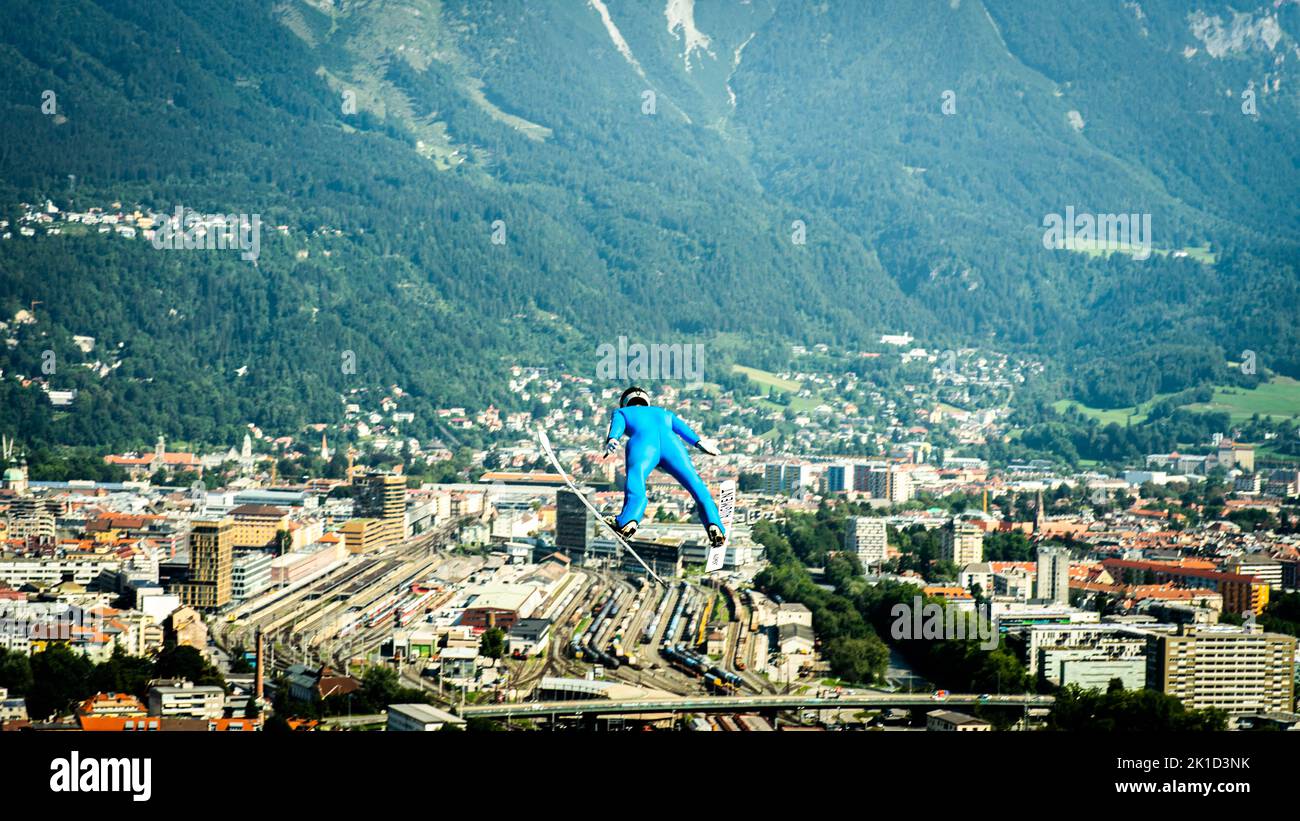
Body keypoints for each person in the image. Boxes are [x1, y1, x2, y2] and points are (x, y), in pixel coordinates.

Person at [602, 385, 725, 547]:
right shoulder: (664, 413)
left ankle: (628, 521)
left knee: (636, 479)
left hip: (643, 445)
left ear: (625, 402)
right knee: (696, 485)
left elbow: (617, 426)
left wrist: (612, 438)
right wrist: (699, 443)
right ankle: (715, 526)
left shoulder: (622, 412)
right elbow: (682, 429)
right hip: (673, 446)